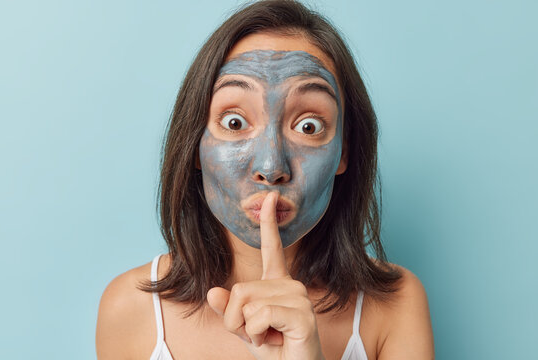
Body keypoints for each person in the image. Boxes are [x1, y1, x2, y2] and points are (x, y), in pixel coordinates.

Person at [96, 1, 434, 359]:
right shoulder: (130, 310)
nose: (272, 167)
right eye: (235, 122)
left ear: (344, 153)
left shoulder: (394, 305)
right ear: (195, 145)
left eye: (309, 126)